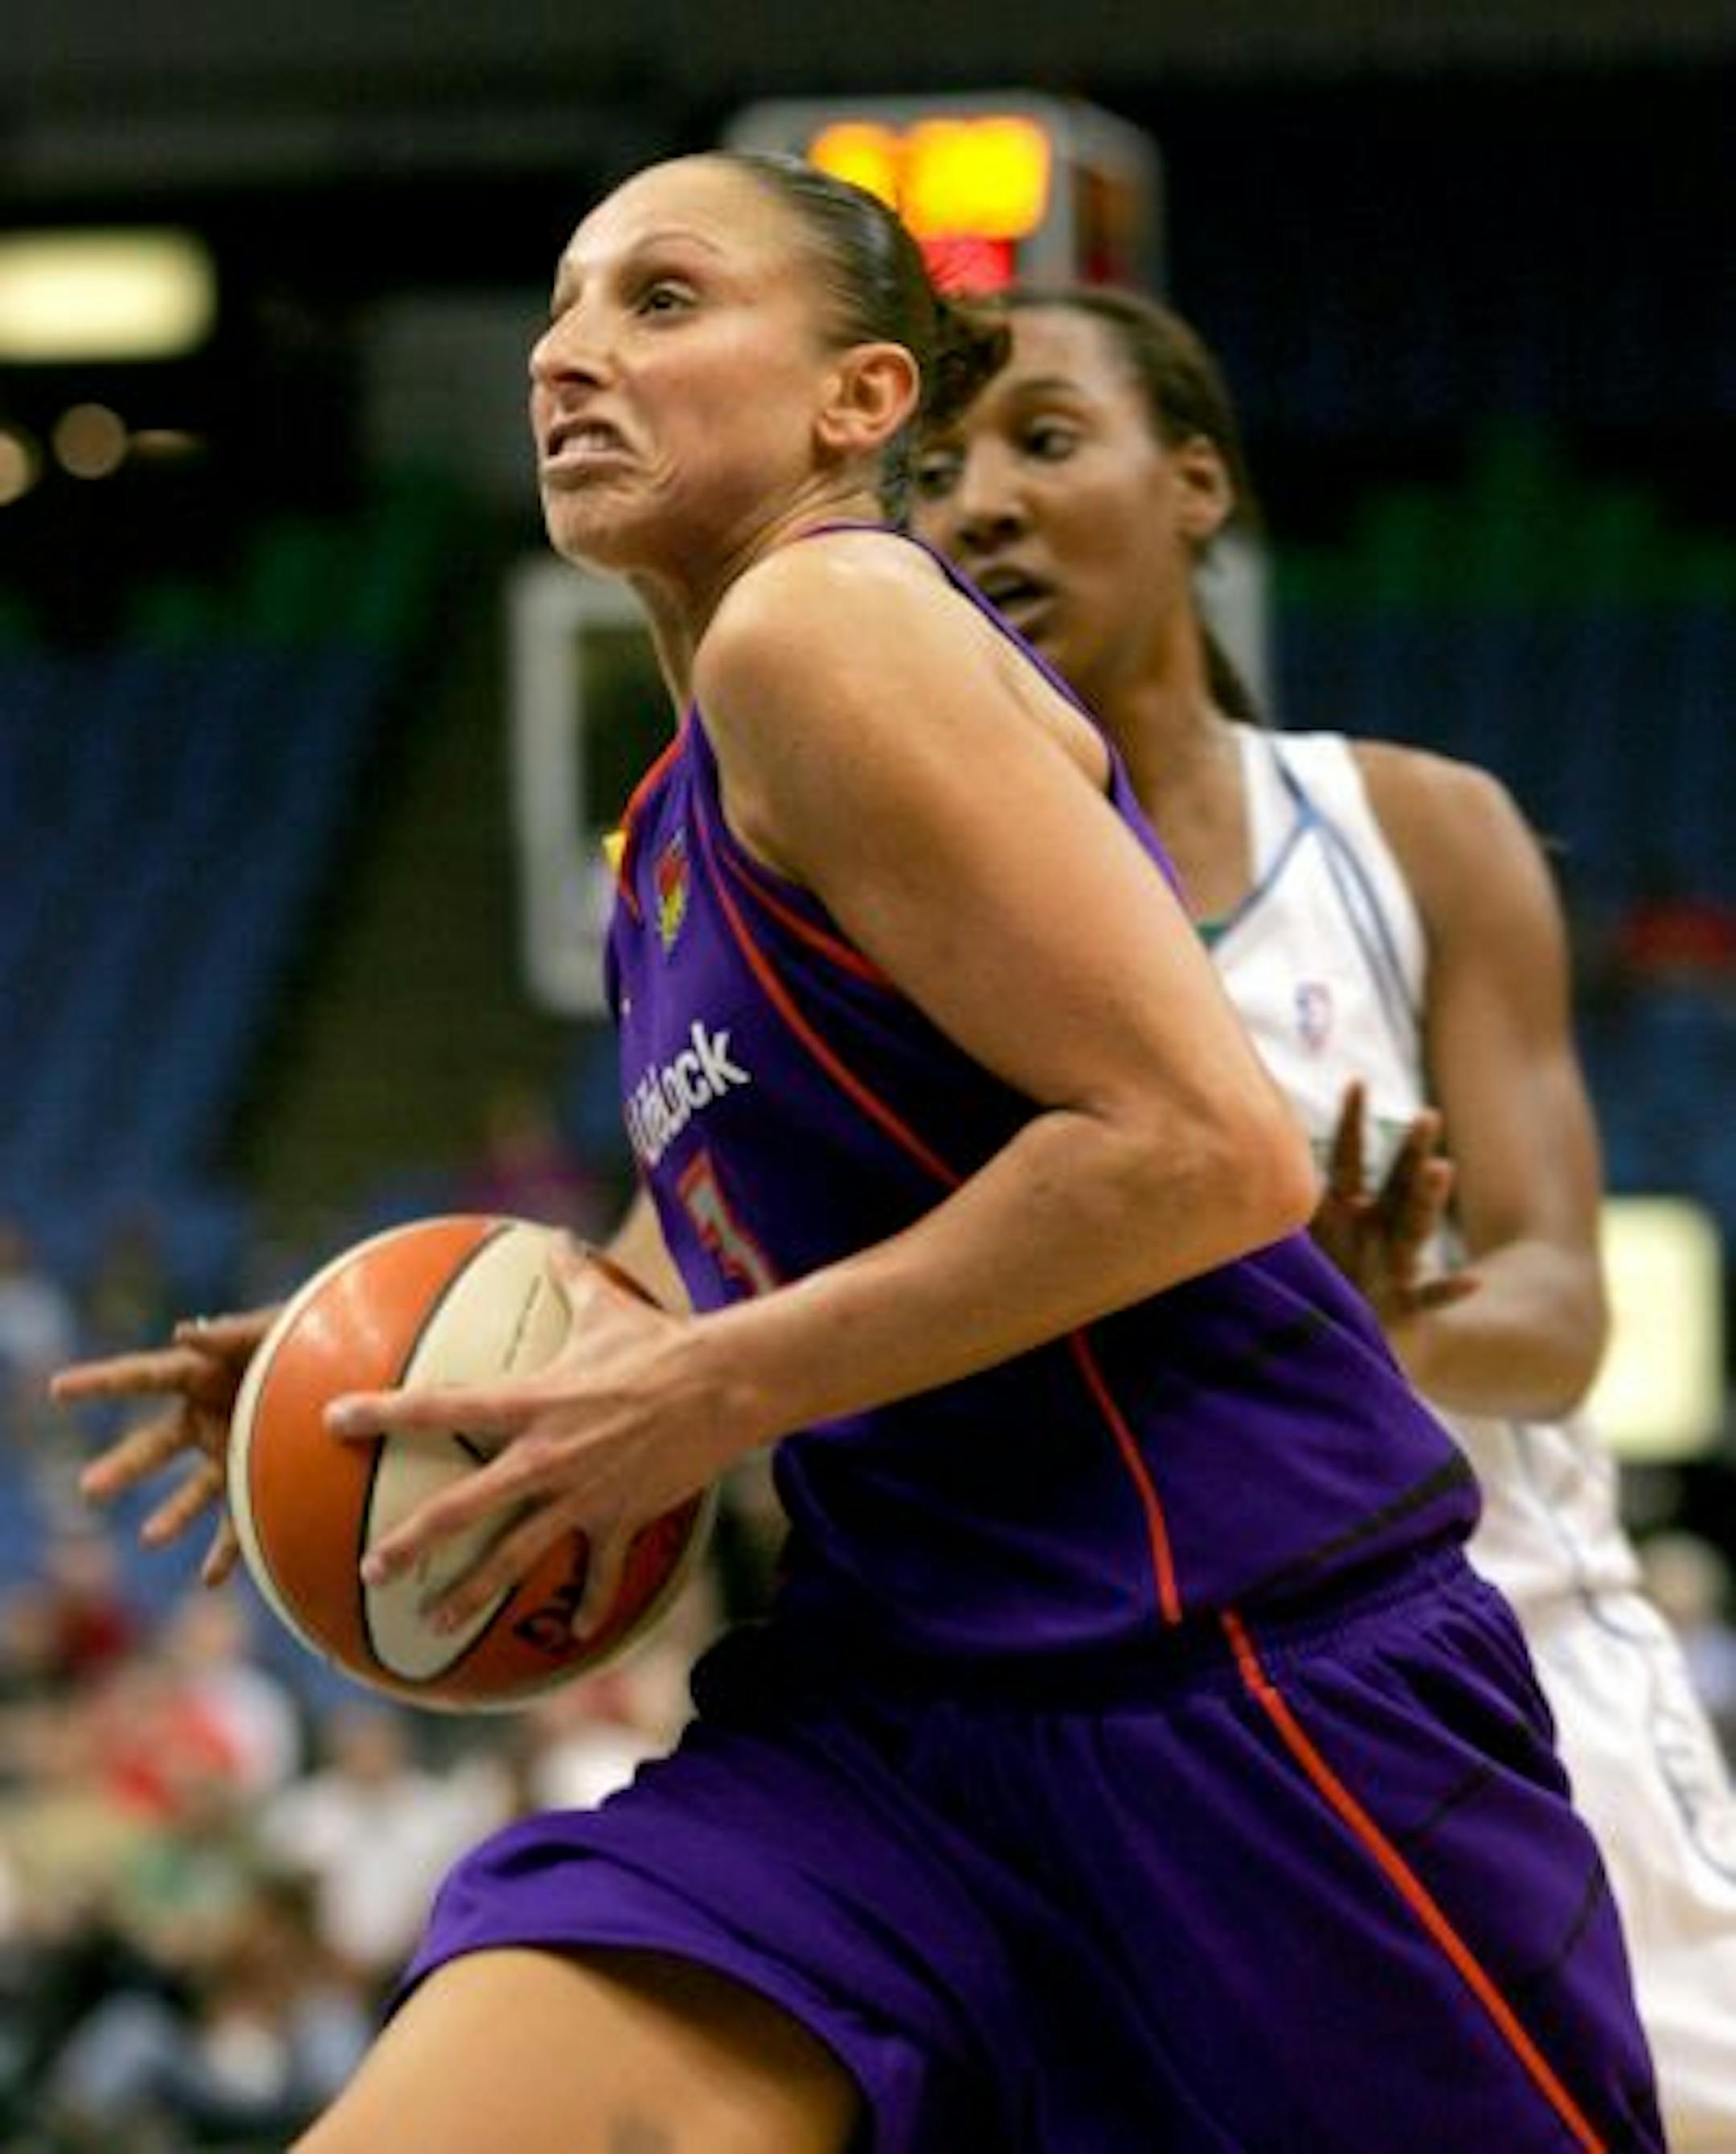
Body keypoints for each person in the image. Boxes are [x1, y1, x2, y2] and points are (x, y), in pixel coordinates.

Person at [50, 152, 1662, 2152]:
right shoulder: (660, 837)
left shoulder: (819, 628)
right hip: (891, 1720)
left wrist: (711, 1389)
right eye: (561, 305)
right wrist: (365, 1373)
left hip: (1232, 1684)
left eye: (662, 300)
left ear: (863, 402)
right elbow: (694, 1264)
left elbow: (1202, 1147)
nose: (569, 353)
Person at [907, 281, 1736, 2148]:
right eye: (937, 470)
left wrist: (1368, 1320)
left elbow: (1561, 1313)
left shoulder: (1420, 832)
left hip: (1510, 1663)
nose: (979, 505)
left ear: (1198, 486)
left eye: (1043, 438)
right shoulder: (909, 927)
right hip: (1165, 1713)